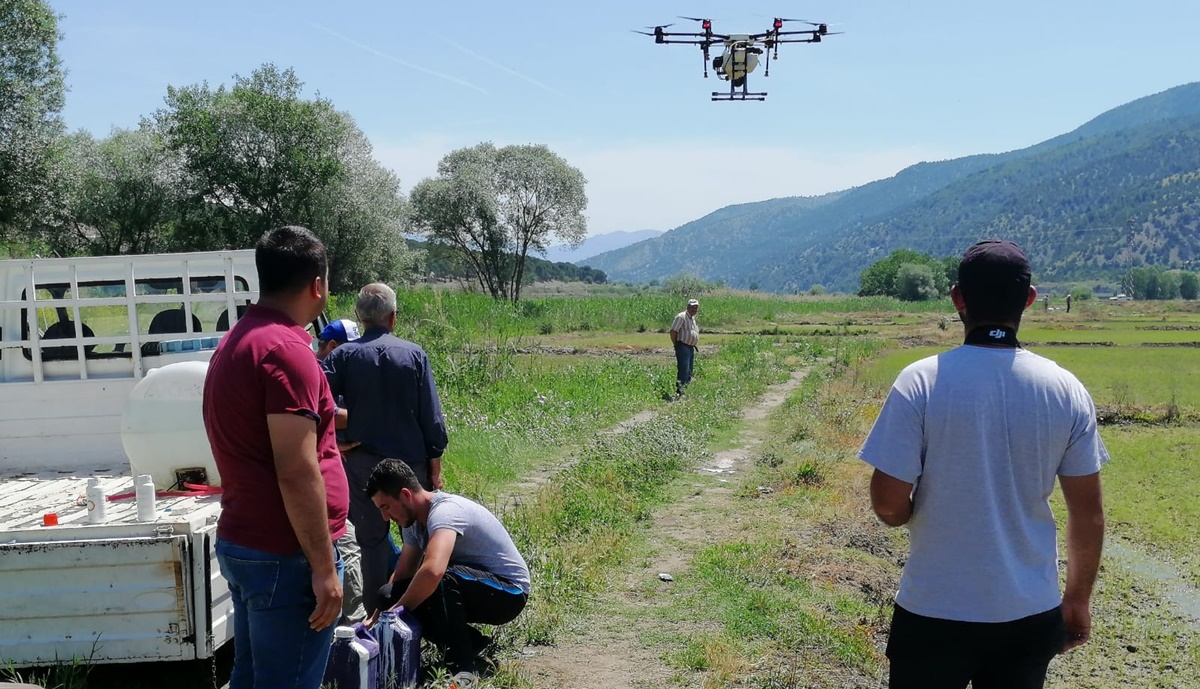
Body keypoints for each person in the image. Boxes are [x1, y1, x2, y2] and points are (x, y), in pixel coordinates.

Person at [859, 239, 1108, 689]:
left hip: (934, 609)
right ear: (1029, 300)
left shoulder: (921, 380)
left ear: (957, 297)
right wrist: (1077, 599)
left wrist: (915, 514)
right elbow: (1088, 515)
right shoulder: (1065, 389)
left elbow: (889, 503)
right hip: (1028, 611)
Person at [202, 225, 348, 689]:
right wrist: (324, 570)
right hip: (286, 555)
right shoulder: (287, 353)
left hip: (248, 541)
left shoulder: (239, 339)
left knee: (250, 679)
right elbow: (297, 470)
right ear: (318, 285)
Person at [322, 282, 449, 616]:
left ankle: (375, 617)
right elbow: (431, 416)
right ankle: (421, 612)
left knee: (370, 543)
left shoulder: (343, 356)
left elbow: (313, 402)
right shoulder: (414, 354)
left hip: (364, 465)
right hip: (411, 465)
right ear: (393, 317)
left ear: (360, 318)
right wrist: (435, 461)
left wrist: (335, 439)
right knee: (419, 538)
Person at [367, 459, 530, 682]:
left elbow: (433, 571)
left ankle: (462, 671)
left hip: (509, 592)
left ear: (405, 494)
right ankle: (471, 642)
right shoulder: (412, 523)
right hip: (469, 585)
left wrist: (396, 615)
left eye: (385, 507)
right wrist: (379, 616)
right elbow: (403, 574)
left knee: (440, 579)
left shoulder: (444, 512)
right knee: (387, 594)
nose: (385, 516)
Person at [314, 318, 368, 626]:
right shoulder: (319, 370)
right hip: (324, 480)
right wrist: (368, 419)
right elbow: (328, 418)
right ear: (333, 347)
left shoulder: (341, 368)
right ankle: (354, 622)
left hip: (339, 473)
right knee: (347, 544)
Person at [669, 298, 700, 397]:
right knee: (683, 370)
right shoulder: (681, 317)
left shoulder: (692, 319)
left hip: (690, 348)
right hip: (683, 347)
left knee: (689, 371)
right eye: (692, 307)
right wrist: (676, 344)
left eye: (696, 307)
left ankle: (685, 391)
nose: (694, 309)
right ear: (688, 307)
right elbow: (673, 331)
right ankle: (679, 392)